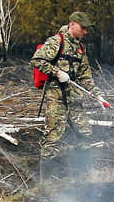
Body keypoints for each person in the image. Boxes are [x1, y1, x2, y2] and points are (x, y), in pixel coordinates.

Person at [30, 11, 109, 178]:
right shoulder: (57, 41)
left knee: (85, 132)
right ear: (73, 24)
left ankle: (83, 176)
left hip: (73, 97)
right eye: (83, 27)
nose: (85, 32)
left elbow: (85, 76)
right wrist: (57, 72)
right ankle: (47, 184)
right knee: (53, 137)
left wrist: (98, 95)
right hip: (56, 96)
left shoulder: (80, 48)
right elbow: (37, 60)